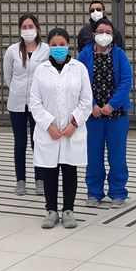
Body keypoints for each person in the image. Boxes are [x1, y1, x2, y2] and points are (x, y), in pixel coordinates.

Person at [30, 28, 93, 229]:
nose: (58, 48)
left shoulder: (79, 68)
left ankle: (68, 210)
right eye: (54, 45)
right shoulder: (41, 70)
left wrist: (74, 123)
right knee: (49, 170)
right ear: (48, 46)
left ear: (69, 45)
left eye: (62, 45)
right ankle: (51, 210)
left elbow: (86, 100)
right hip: (49, 131)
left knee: (69, 169)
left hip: (71, 130)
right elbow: (34, 102)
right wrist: (49, 125)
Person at [78, 18, 133, 208]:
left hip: (116, 115)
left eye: (108, 32)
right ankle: (94, 192)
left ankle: (118, 192)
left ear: (113, 35)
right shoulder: (84, 55)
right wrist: (92, 105)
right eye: (100, 31)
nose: (104, 35)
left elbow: (126, 81)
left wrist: (112, 105)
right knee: (93, 155)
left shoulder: (119, 54)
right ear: (94, 34)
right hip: (93, 116)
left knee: (117, 156)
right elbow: (80, 83)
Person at [3, 14, 51, 195]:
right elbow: (8, 76)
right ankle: (20, 180)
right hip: (17, 103)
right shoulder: (12, 51)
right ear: (19, 29)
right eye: (24, 27)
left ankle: (40, 179)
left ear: (37, 28)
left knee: (37, 142)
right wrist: (18, 89)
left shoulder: (46, 50)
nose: (28, 30)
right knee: (20, 143)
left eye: (31, 26)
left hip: (39, 104)